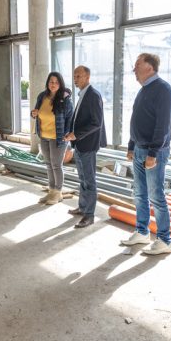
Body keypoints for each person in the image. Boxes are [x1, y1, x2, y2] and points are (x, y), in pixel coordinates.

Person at [120, 53, 171, 256]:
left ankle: (165, 240)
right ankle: (142, 231)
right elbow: (136, 120)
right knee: (140, 194)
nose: (134, 69)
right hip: (139, 149)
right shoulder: (143, 90)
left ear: (150, 68)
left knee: (156, 196)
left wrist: (153, 153)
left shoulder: (163, 89)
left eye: (137, 65)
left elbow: (163, 125)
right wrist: (131, 146)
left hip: (154, 152)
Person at [64, 66, 107, 228]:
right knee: (82, 179)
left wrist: (76, 134)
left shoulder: (93, 95)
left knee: (89, 180)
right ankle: (82, 207)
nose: (75, 79)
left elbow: (96, 123)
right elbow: (79, 119)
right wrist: (71, 133)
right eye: (74, 76)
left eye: (79, 76)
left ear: (87, 77)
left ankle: (89, 215)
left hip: (88, 144)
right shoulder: (83, 94)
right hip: (80, 144)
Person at [32, 71, 74, 205]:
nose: (53, 84)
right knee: (48, 164)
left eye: (56, 82)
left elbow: (70, 119)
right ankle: (51, 191)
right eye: (51, 82)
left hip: (59, 138)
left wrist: (67, 135)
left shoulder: (65, 99)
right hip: (44, 136)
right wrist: (33, 114)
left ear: (60, 84)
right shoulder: (42, 96)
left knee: (56, 165)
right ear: (48, 83)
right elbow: (36, 112)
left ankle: (58, 193)